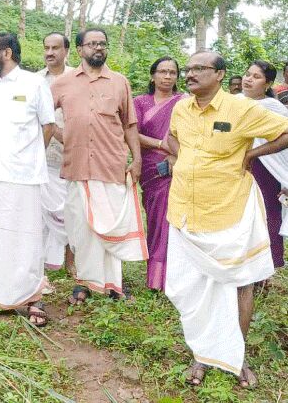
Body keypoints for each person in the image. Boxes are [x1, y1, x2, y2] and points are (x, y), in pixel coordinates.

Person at [165, 50, 288, 388]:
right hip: (185, 211)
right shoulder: (181, 107)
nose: (189, 74)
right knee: (193, 287)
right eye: (187, 69)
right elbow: (171, 136)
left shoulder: (242, 108)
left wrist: (251, 153)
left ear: (219, 74)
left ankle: (238, 356)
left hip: (229, 210)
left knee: (239, 283)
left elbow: (285, 130)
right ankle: (202, 355)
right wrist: (184, 158)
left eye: (198, 69)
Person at [51, 28, 146, 304]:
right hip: (77, 166)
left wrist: (136, 160)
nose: (98, 48)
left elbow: (130, 124)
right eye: (92, 44)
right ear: (79, 49)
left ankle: (114, 284)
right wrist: (64, 137)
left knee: (109, 226)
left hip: (111, 164)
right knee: (80, 227)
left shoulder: (119, 82)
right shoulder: (62, 83)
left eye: (102, 44)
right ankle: (84, 283)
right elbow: (44, 117)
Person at [0, 32, 55, 325]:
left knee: (25, 238)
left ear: (7, 53)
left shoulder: (34, 83)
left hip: (24, 176)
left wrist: (30, 158)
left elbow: (48, 126)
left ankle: (33, 297)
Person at [132, 56, 186, 291]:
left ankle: (174, 277)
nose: (167, 76)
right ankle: (155, 276)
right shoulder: (140, 102)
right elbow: (131, 133)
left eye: (172, 72)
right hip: (152, 168)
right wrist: (161, 144)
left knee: (175, 221)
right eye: (162, 72)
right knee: (155, 220)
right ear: (152, 75)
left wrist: (174, 153)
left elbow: (190, 133)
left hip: (178, 165)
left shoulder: (184, 102)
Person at [240, 60, 288, 270]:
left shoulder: (274, 108)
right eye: (248, 74)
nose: (249, 79)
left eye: (256, 77)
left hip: (267, 168)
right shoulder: (232, 102)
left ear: (267, 84)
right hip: (237, 166)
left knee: (268, 213)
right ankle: (244, 261)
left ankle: (271, 262)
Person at [36, 32, 76, 274]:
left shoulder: (76, 78)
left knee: (68, 210)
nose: (50, 52)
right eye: (46, 47)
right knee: (40, 211)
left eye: (55, 48)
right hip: (42, 156)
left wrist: (61, 134)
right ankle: (43, 260)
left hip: (69, 157)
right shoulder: (35, 80)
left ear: (67, 51)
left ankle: (70, 260)